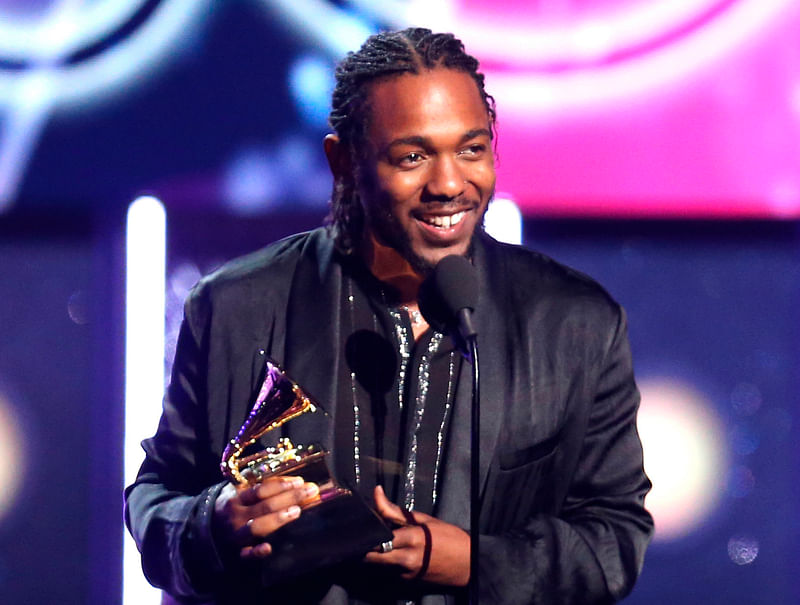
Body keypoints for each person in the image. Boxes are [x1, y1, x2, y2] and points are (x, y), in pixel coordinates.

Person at [125, 27, 653, 605]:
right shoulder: (236, 307)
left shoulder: (574, 323)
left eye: (471, 150)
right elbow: (157, 498)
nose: (450, 184)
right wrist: (216, 524)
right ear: (343, 161)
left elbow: (613, 540)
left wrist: (478, 564)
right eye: (413, 157)